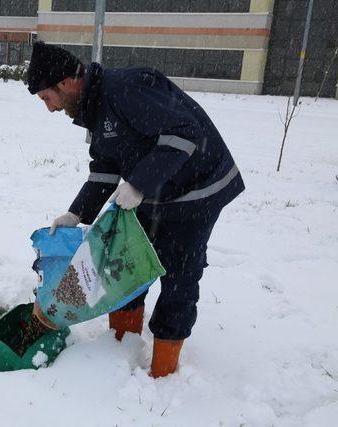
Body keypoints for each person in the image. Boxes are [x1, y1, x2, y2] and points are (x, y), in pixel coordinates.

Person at [26, 42, 245, 378]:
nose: (50, 108)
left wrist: (140, 183)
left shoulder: (127, 88)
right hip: (155, 189)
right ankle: (121, 343)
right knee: (123, 260)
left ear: (66, 82)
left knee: (178, 274)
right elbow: (104, 167)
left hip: (199, 187)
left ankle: (163, 370)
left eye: (46, 98)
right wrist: (76, 214)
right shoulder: (95, 107)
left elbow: (183, 133)